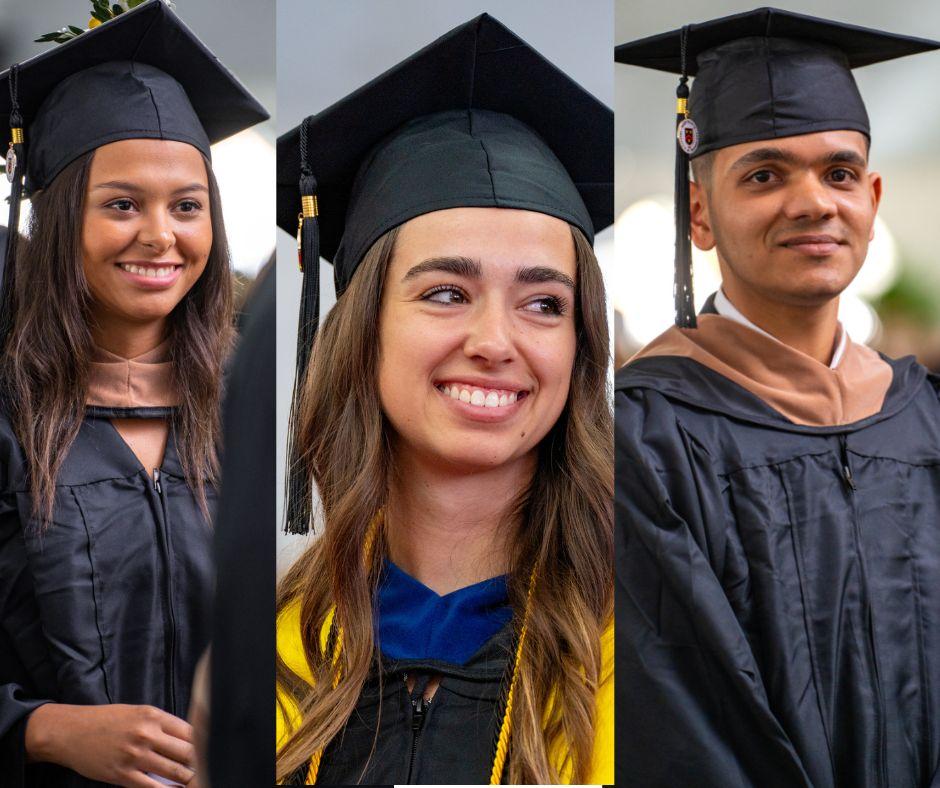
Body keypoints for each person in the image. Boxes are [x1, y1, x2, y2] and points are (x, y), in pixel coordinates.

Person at [275, 14, 613, 785]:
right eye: (447, 292)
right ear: (365, 330)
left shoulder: (644, 644)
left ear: (579, 343)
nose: (496, 341)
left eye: (543, 304)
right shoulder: (271, 647)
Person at [615, 8, 940, 787]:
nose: (813, 202)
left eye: (840, 173)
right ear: (700, 213)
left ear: (872, 197)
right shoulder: (643, 439)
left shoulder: (923, 419)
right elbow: (678, 723)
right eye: (764, 175)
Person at [0, 2, 267, 786]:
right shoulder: (11, 412)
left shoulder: (250, 411)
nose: (161, 235)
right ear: (57, 222)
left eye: (187, 206)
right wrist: (40, 730)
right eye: (122, 204)